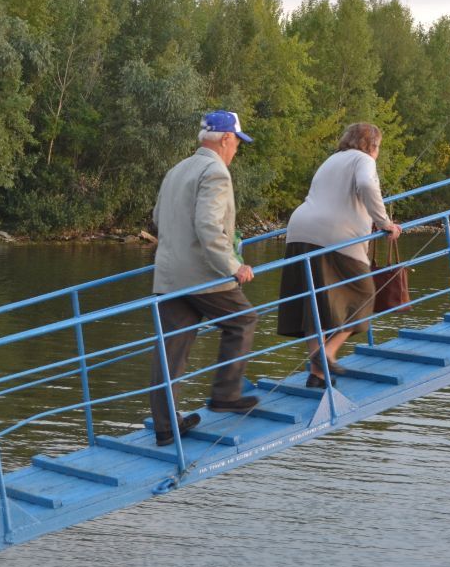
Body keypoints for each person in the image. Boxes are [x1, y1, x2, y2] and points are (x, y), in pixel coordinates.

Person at [148, 110, 260, 446]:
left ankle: (166, 426)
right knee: (243, 320)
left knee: (172, 350)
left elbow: (157, 218)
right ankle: (226, 394)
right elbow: (208, 226)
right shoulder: (216, 172)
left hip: (168, 274)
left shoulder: (177, 169)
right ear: (226, 138)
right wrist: (232, 266)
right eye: (237, 143)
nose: (237, 150)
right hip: (202, 275)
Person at [277, 123, 402, 388]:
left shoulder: (331, 160)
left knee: (315, 305)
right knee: (364, 294)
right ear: (372, 146)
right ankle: (327, 354)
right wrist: (384, 223)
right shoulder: (363, 160)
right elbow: (368, 185)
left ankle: (317, 374)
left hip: (299, 230)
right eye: (378, 147)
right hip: (335, 235)